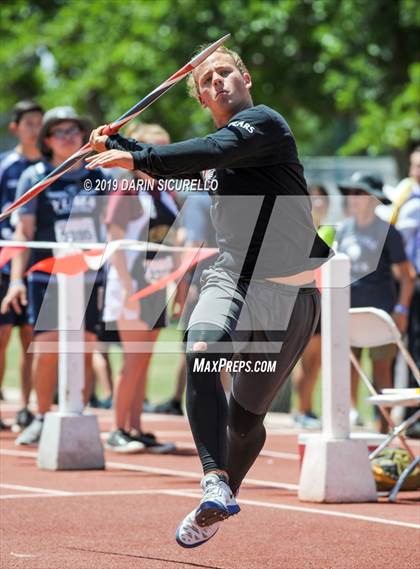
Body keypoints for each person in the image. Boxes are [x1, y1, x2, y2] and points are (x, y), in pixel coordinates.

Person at [86, 44, 331, 547]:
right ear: (200, 97)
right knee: (201, 349)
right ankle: (213, 478)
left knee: (246, 420)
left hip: (289, 295)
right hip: (232, 277)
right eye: (208, 80)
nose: (218, 82)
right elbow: (182, 168)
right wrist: (118, 144)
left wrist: (136, 154)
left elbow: (213, 152)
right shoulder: (219, 150)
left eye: (226, 73)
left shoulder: (265, 125)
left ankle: (222, 496)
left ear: (246, 80)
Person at [1, 106, 110, 445]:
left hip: (88, 274)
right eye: (59, 132)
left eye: (73, 131)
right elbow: (24, 232)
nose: (68, 137)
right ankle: (42, 415)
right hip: (46, 273)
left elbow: (110, 225)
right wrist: (16, 280)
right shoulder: (34, 176)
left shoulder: (98, 175)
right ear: (47, 139)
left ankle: (79, 414)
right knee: (46, 346)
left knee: (87, 345)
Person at [103, 122, 177, 454]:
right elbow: (114, 237)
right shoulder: (128, 189)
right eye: (156, 149)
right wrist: (130, 287)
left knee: (145, 359)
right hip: (131, 284)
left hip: (158, 284)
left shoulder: (165, 192)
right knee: (132, 361)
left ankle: (136, 426)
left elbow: (171, 241)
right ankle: (118, 428)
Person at [335, 172, 415, 432]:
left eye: (359, 193)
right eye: (350, 193)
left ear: (373, 199)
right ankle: (347, 420)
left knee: (382, 370)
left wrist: (401, 309)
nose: (353, 198)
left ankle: (384, 430)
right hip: (347, 311)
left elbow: (407, 276)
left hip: (379, 312)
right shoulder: (342, 229)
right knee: (347, 367)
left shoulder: (387, 232)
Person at [0, 101, 44, 430]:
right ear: (15, 127)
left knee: (32, 337)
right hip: (4, 262)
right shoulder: (6, 166)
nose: (35, 129)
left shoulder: (48, 167)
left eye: (39, 123)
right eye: (29, 123)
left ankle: (27, 408)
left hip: (35, 263)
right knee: (2, 337)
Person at [292, 184, 333, 429]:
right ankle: (301, 409)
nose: (318, 203)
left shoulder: (330, 231)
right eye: (313, 198)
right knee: (305, 359)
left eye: (321, 199)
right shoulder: (298, 231)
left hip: (325, 300)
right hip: (303, 299)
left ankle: (305, 408)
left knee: (316, 361)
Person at [392, 147, 420, 437]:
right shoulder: (408, 199)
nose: (416, 172)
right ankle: (414, 417)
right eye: (414, 166)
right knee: (415, 349)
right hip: (414, 281)